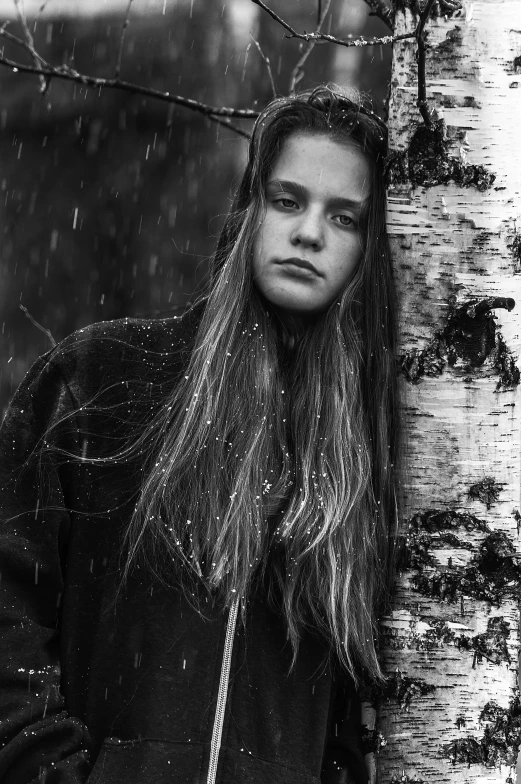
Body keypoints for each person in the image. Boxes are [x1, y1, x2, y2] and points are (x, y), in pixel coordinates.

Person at [0, 85, 398, 784]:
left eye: (343, 216)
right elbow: (8, 604)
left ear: (370, 249)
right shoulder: (103, 381)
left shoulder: (366, 454)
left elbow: (353, 713)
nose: (309, 233)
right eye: (286, 200)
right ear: (248, 210)